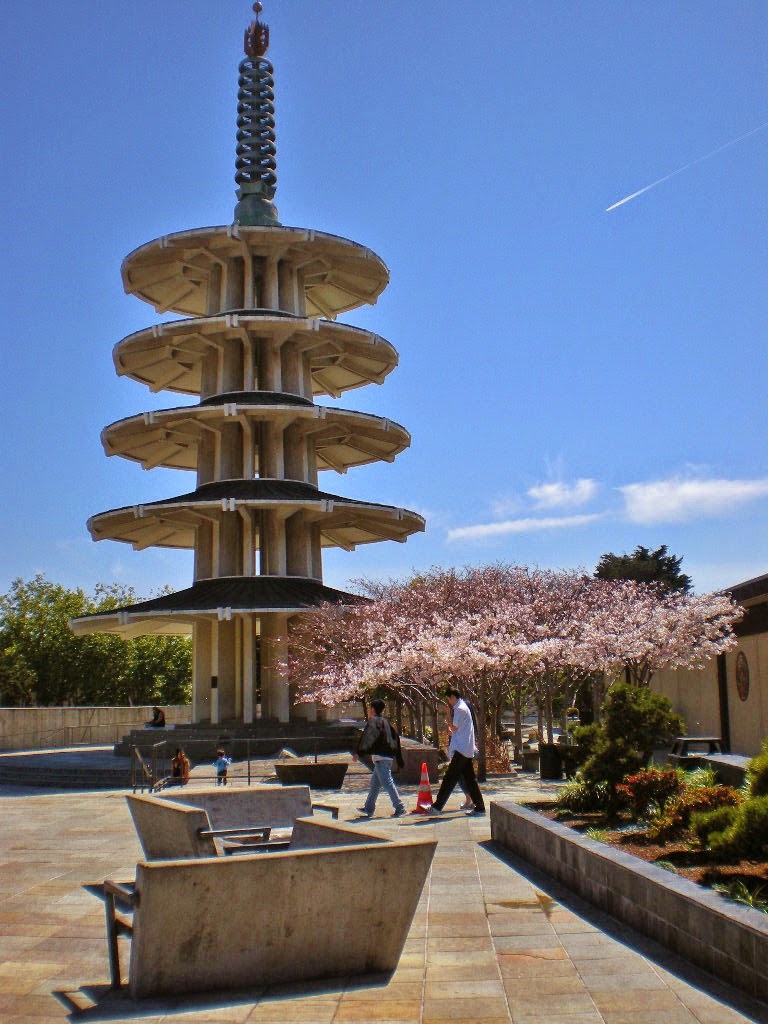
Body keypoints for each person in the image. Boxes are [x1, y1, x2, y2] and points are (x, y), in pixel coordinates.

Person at [427, 689, 485, 816]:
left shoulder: (459, 709)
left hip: (461, 749)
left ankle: (437, 806)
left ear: (453, 697)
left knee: (450, 778)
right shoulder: (463, 707)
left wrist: (448, 714)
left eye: (448, 699)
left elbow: (452, 729)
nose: (448, 702)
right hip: (465, 748)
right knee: (470, 779)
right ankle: (480, 807)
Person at [353, 699, 406, 818]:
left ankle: (400, 807)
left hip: (381, 757)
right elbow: (396, 739)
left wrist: (359, 752)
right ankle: (368, 808)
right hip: (386, 757)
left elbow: (368, 738)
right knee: (375, 784)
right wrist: (399, 758)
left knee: (387, 782)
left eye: (369, 708)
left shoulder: (374, 721)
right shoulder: (387, 722)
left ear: (372, 709)